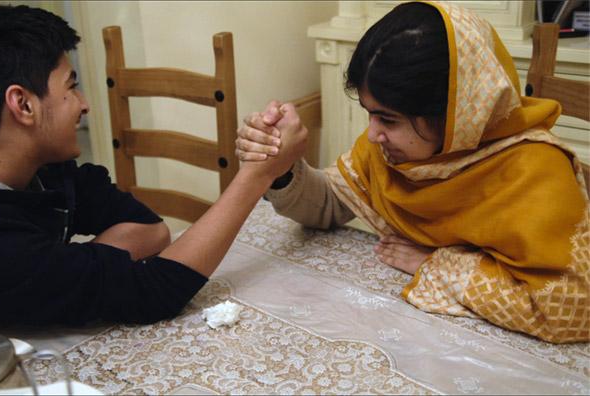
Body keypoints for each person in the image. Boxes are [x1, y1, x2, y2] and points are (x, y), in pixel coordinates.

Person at [0, 5, 307, 345]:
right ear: (22, 104)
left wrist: (69, 271)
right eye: (72, 87)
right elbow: (155, 292)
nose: (85, 105)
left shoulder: (33, 165)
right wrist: (258, 175)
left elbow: (150, 228)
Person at [236, 1, 588, 343]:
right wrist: (281, 170)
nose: (372, 135)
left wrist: (437, 265)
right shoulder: (391, 153)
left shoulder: (537, 174)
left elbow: (570, 310)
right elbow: (330, 202)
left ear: (456, 115)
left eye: (388, 119)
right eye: (369, 113)